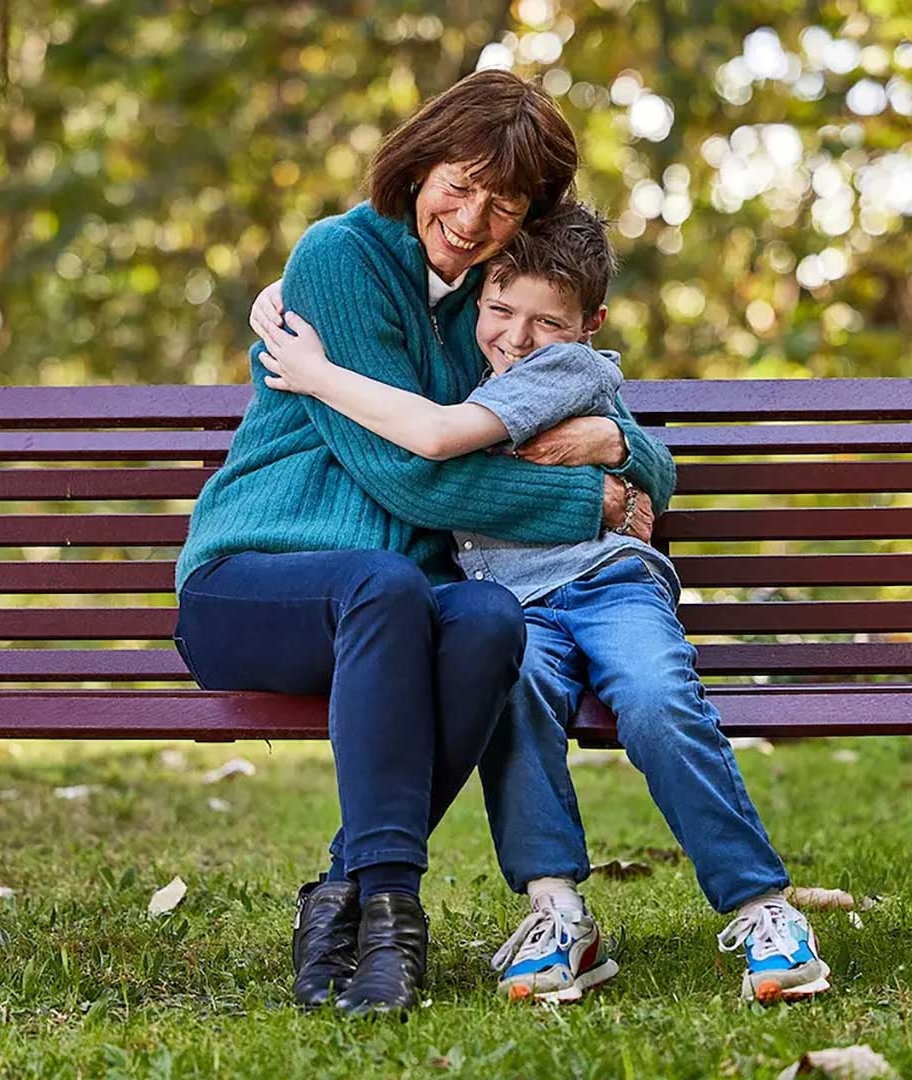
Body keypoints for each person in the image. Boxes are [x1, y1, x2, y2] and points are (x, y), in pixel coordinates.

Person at [175, 70, 675, 1017]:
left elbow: (624, 432)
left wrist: (622, 449)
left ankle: (340, 901)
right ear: (420, 162)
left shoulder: (497, 314)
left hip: (388, 599)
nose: (472, 215)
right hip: (252, 582)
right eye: (461, 180)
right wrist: (589, 505)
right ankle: (396, 913)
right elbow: (410, 475)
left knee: (488, 618)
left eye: (505, 202)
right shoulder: (336, 258)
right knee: (391, 586)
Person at [251, 200, 832, 1006]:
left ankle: (764, 907)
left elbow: (446, 441)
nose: (517, 338)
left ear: (590, 324)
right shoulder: (458, 369)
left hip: (608, 585)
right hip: (512, 604)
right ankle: (558, 913)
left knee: (659, 701)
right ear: (480, 295)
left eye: (547, 322)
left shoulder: (566, 374)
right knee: (514, 702)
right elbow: (403, 338)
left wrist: (617, 447)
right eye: (500, 310)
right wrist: (295, 285)